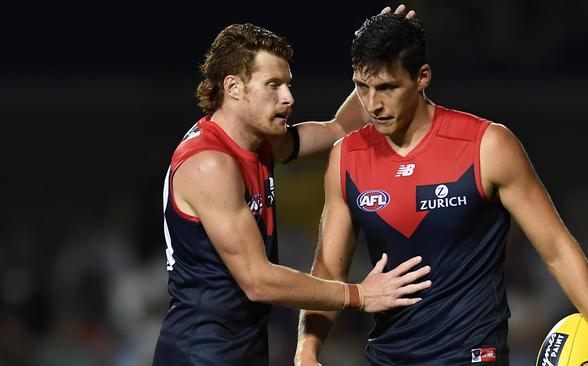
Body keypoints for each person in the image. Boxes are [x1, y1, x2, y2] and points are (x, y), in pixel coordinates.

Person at [295, 11, 588, 366]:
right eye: (362, 86)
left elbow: (557, 249)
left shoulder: (487, 146)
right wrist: (307, 350)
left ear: (422, 77)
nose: (372, 104)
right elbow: (329, 269)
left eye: (387, 87)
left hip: (472, 357)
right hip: (385, 358)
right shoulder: (346, 157)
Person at [152, 6, 432, 366]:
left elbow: (337, 130)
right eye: (273, 86)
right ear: (233, 87)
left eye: (288, 84)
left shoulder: (260, 142)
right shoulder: (210, 164)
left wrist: (382, 58)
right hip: (200, 354)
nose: (288, 97)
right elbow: (258, 280)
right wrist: (359, 295)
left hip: (241, 350)